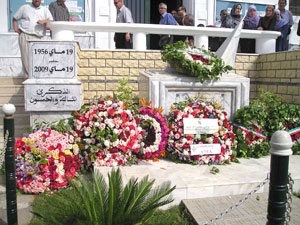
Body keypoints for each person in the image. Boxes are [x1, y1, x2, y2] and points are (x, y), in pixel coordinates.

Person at [13, 0, 53, 77]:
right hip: (25, 35)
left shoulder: (45, 9)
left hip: (38, 37)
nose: (36, 0)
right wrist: (16, 29)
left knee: (38, 59)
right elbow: (15, 18)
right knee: (26, 59)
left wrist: (44, 21)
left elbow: (51, 20)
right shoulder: (25, 8)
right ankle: (28, 79)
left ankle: (37, 78)